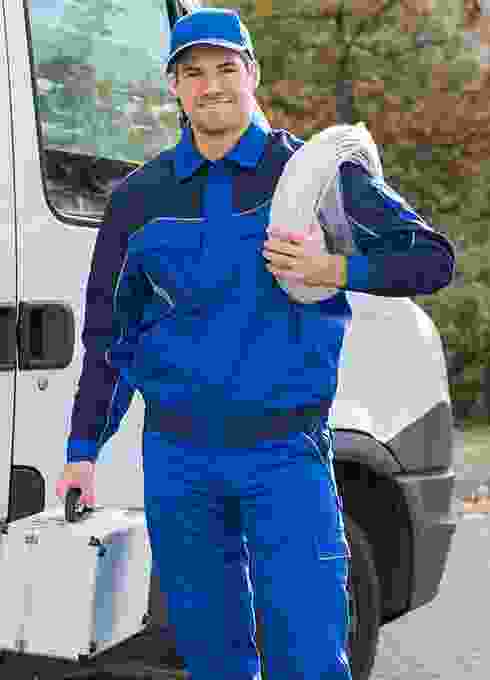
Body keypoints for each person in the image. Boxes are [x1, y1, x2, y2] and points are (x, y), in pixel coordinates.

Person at [56, 8, 456, 680]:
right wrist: (81, 451)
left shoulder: (314, 175)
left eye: (226, 68)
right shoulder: (139, 199)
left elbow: (431, 260)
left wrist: (333, 269)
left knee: (309, 658)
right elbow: (110, 340)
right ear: (174, 87)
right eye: (193, 73)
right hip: (180, 460)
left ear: (253, 74)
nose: (211, 85)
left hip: (285, 455)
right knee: (212, 661)